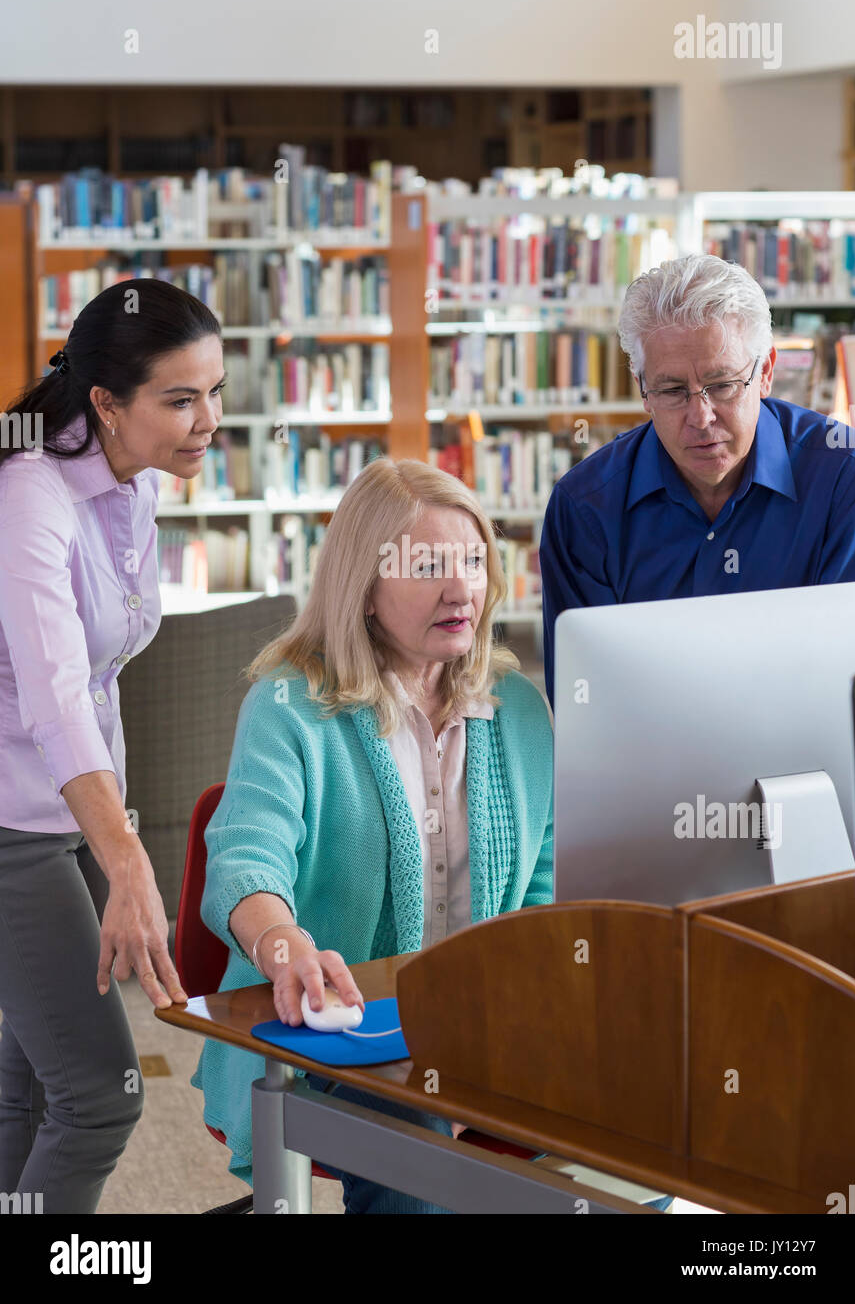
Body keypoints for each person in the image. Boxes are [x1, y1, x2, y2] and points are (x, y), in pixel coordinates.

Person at [191, 457, 562, 1214]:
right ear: (363, 590)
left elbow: (548, 897)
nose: (461, 588)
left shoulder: (519, 708)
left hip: (486, 1025)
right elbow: (242, 859)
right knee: (419, 1163)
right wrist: (287, 949)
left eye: (472, 562)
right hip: (338, 1036)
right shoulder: (291, 705)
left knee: (653, 1140)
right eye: (428, 566)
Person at [0, 278, 226, 1212]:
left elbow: (104, 667)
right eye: (179, 399)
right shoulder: (30, 496)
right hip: (15, 831)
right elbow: (55, 697)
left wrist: (114, 842)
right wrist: (129, 859)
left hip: (79, 820)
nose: (206, 419)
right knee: (100, 1097)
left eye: (214, 391)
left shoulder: (133, 488)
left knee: (25, 1092)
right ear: (104, 403)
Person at [540, 253, 855, 709]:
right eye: (672, 391)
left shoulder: (846, 480)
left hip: (811, 764)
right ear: (642, 390)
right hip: (648, 768)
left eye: (723, 384)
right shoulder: (585, 507)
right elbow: (586, 705)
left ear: (766, 372)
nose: (701, 417)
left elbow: (849, 682)